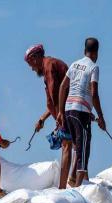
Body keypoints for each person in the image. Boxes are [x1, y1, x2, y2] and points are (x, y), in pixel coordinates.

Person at [57, 37, 106, 187]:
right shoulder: (94, 67)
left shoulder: (74, 64)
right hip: (80, 113)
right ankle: (77, 192)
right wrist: (101, 117)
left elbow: (63, 87)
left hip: (68, 110)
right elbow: (94, 93)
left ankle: (72, 180)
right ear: (96, 53)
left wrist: (60, 111)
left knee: (77, 147)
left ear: (84, 51)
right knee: (83, 153)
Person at [24, 44, 73, 189]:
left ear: (35, 58)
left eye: (30, 64)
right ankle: (78, 180)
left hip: (67, 111)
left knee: (66, 145)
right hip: (64, 111)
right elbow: (51, 102)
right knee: (75, 145)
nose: (32, 69)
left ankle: (63, 187)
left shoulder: (49, 66)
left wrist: (60, 114)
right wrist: (42, 119)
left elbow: (55, 94)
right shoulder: (48, 67)